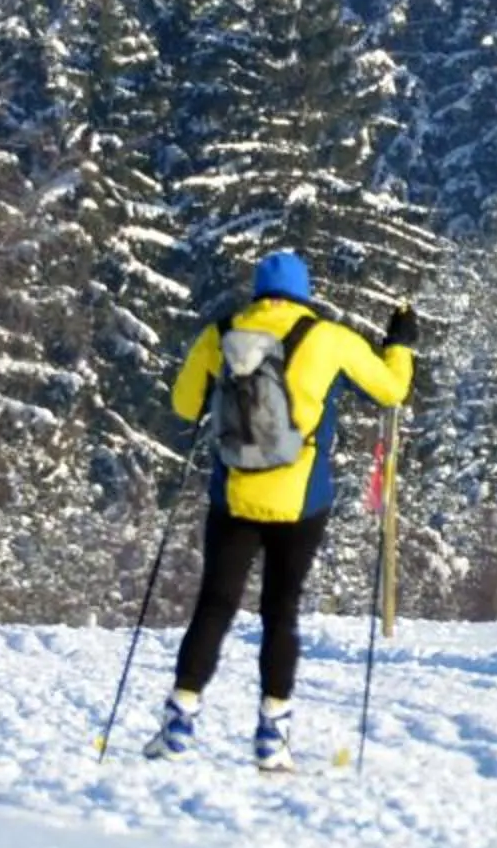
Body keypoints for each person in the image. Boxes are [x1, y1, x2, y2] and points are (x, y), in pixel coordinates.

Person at [145, 249, 416, 770]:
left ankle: (179, 719)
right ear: (304, 291)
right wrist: (400, 343)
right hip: (301, 501)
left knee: (215, 605)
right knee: (280, 612)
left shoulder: (222, 331)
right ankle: (272, 736)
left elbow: (183, 405)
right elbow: (392, 390)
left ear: (257, 291)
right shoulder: (327, 338)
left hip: (234, 494)